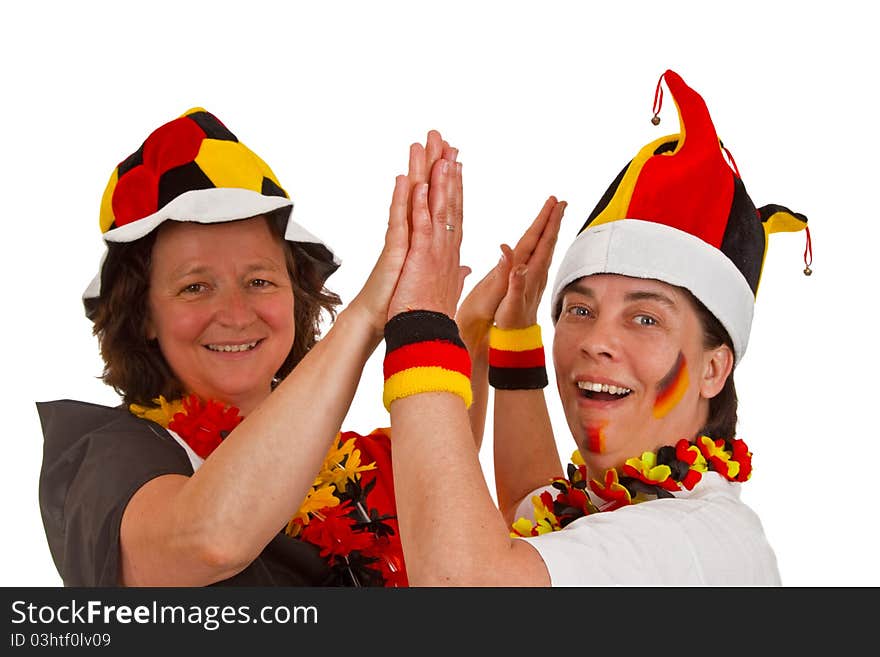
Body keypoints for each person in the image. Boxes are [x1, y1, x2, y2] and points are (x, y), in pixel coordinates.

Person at [385, 70, 811, 585]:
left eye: (645, 318)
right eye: (580, 311)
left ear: (714, 368)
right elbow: (533, 509)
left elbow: (467, 585)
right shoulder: (613, 508)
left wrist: (421, 324)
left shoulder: (691, 539)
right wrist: (514, 330)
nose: (595, 341)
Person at [36, 107, 458, 586]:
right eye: (195, 287)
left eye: (259, 280)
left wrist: (471, 331)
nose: (237, 315)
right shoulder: (105, 456)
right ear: (144, 314)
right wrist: (365, 317)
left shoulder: (348, 466)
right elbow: (210, 541)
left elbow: (444, 490)